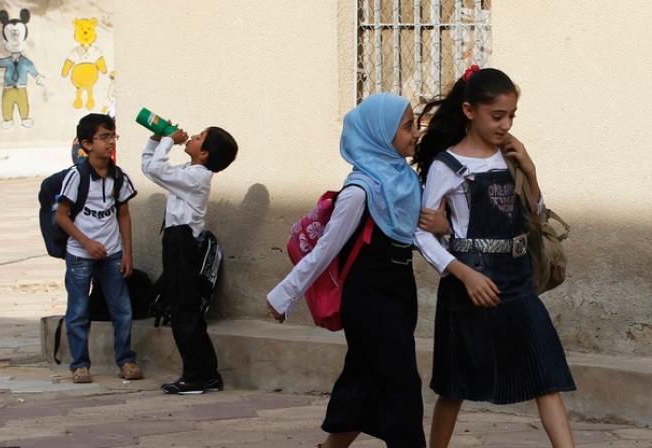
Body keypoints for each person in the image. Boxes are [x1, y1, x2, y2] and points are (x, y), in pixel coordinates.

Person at [412, 66, 577, 448]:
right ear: (470, 111)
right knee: (455, 384)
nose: (506, 125)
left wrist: (531, 172)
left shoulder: (512, 157)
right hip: (469, 283)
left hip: (517, 280)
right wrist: (464, 275)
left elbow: (535, 218)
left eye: (512, 116)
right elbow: (421, 233)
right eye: (497, 116)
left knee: (545, 375)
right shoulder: (446, 165)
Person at [268, 92, 430, 448]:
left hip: (399, 291)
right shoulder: (361, 190)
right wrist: (285, 295)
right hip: (368, 297)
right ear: (380, 133)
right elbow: (325, 250)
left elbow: (417, 236)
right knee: (400, 381)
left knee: (366, 376)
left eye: (414, 125)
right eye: (407, 127)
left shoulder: (404, 180)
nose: (415, 133)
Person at [141, 123, 238, 395]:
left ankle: (194, 378)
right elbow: (151, 169)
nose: (192, 137)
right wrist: (155, 138)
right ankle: (208, 375)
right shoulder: (188, 172)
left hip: (182, 243)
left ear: (204, 154)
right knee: (188, 311)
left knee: (184, 313)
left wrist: (169, 142)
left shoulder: (197, 177)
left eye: (198, 138)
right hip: (176, 240)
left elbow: (158, 169)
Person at [55, 113, 142, 384]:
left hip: (113, 253)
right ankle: (80, 365)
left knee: (122, 309)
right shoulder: (77, 176)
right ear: (86, 144)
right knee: (79, 311)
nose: (110, 142)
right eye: (103, 137)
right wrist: (87, 243)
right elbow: (61, 215)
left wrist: (127, 252)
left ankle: (126, 360)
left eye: (113, 136)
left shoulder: (119, 177)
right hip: (81, 255)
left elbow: (124, 214)